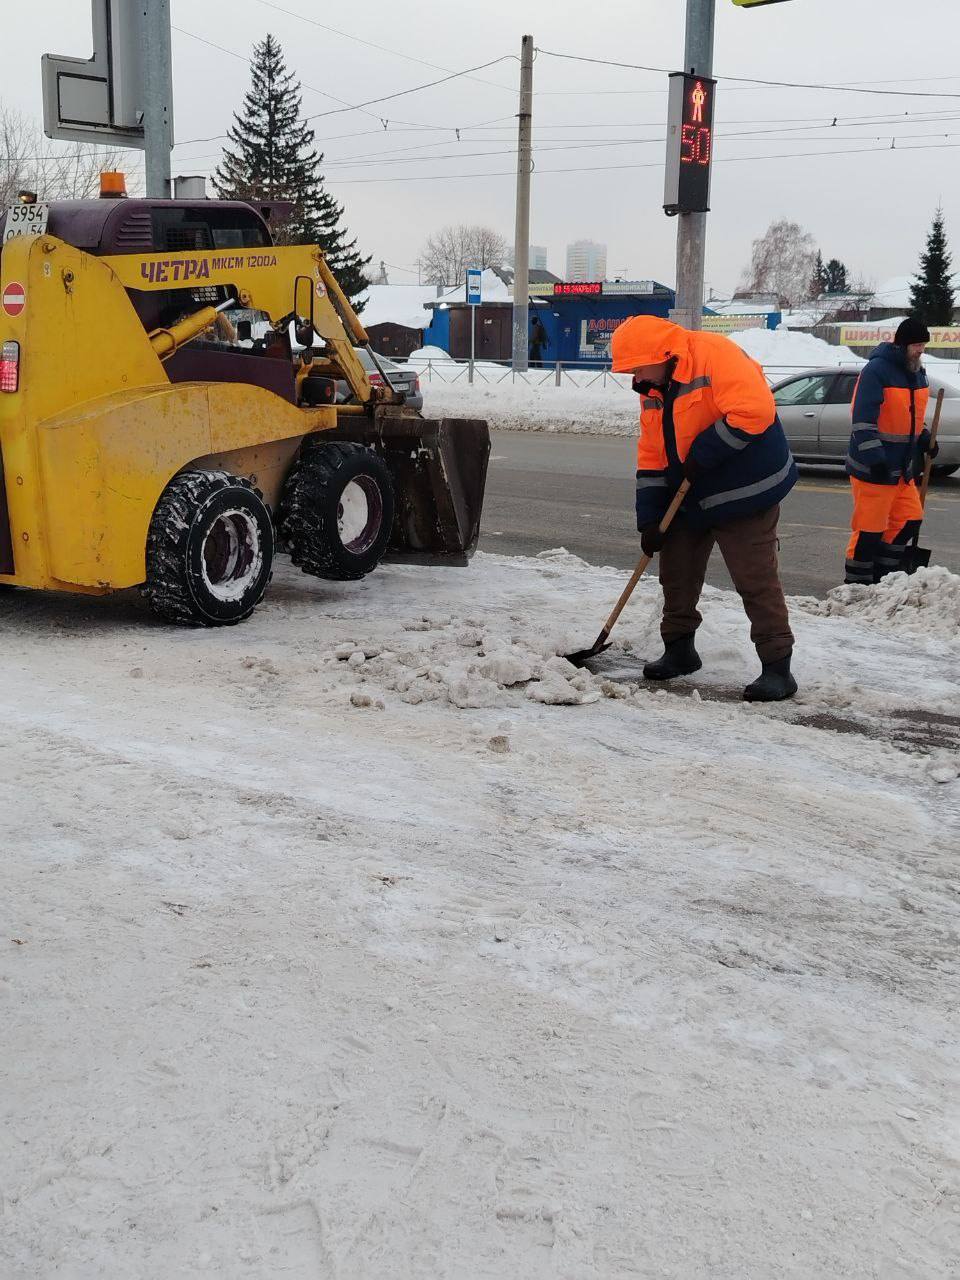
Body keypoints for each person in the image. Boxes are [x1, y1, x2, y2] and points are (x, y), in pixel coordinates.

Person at [610, 315, 799, 702]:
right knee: (676, 570)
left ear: (664, 356)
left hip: (745, 485)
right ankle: (680, 650)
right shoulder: (653, 384)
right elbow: (651, 453)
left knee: (754, 578)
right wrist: (649, 518)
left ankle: (777, 666)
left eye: (637, 367)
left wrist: (706, 449)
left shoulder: (715, 355)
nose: (635, 377)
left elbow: (755, 411)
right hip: (691, 485)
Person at [844, 318, 937, 584]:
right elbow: (862, 419)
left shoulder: (917, 372)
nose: (921, 350)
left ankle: (883, 576)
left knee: (909, 519)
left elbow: (911, 416)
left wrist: (925, 438)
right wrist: (875, 458)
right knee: (869, 530)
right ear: (902, 344)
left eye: (923, 345)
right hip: (875, 468)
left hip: (903, 470)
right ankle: (856, 584)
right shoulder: (876, 371)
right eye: (917, 345)